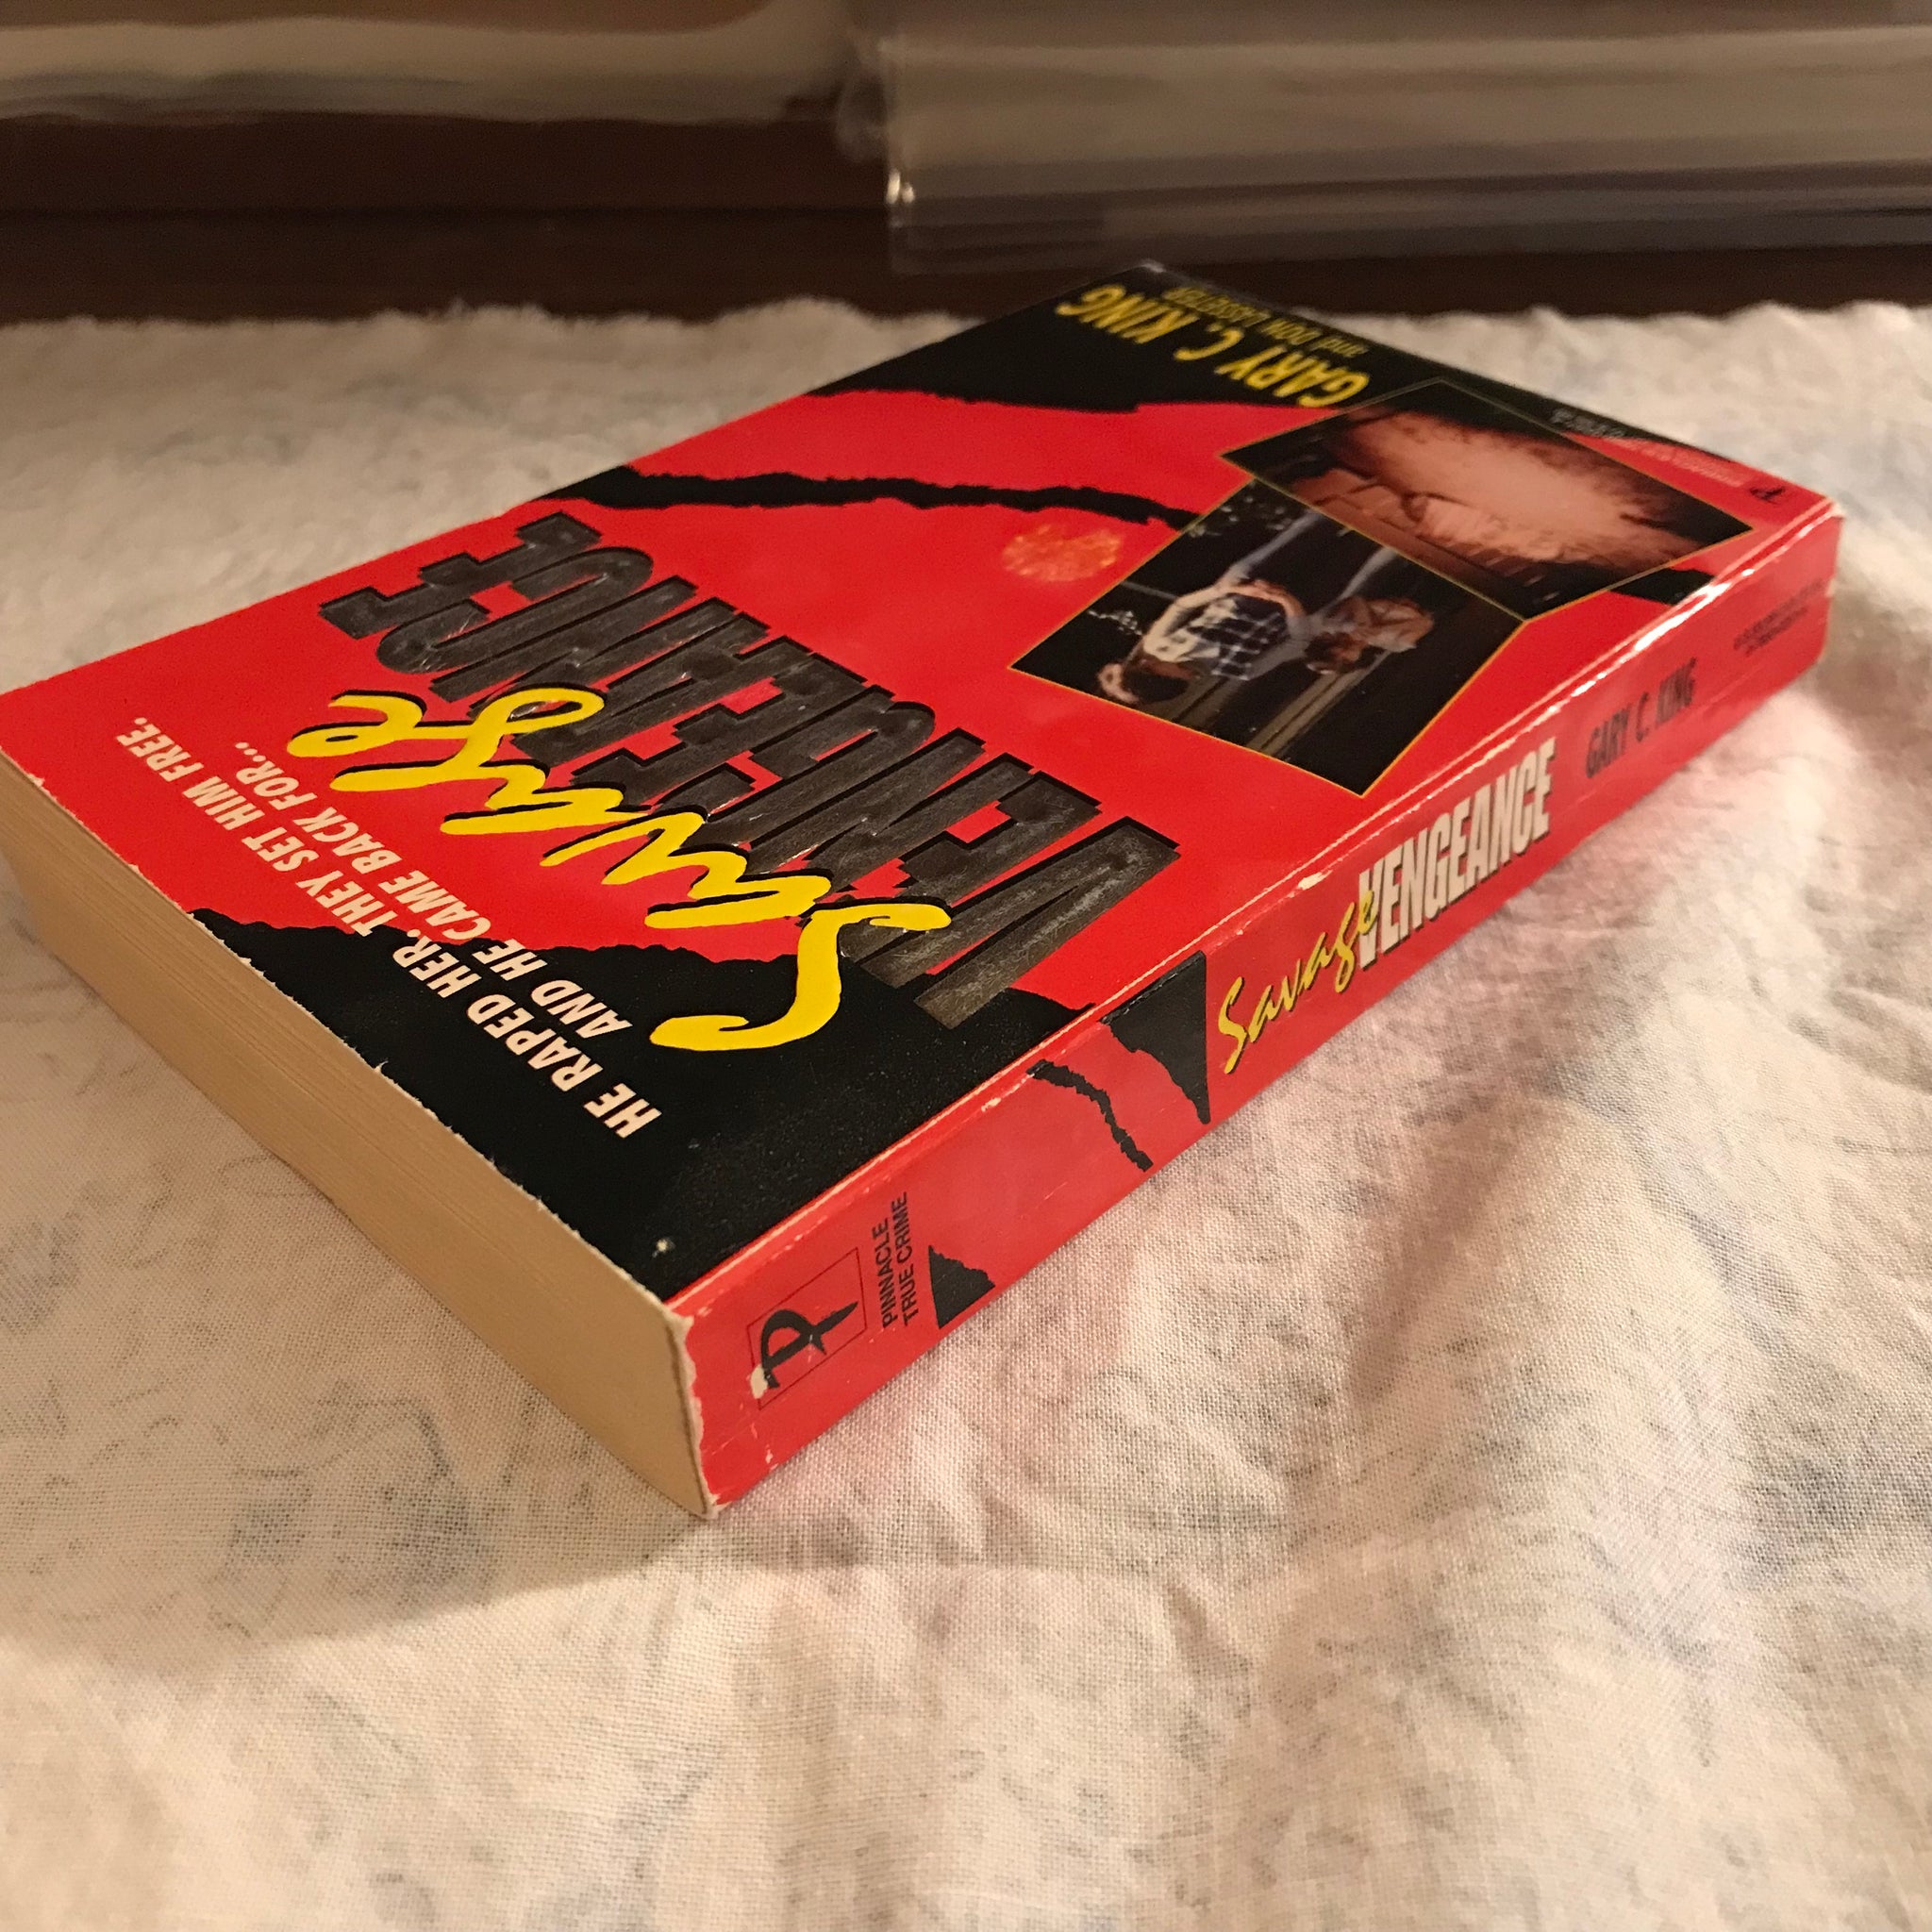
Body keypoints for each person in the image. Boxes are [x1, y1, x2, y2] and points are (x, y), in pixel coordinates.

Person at [1095, 524, 1435, 708]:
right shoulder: (1242, 671)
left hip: (1247, 583)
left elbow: (1182, 606)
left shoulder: (1159, 645)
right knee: (1360, 542)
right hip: (1303, 599)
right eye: (1163, 672)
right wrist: (1288, 603)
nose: (1156, 663)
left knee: (1314, 524)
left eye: (1152, 666)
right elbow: (1298, 640)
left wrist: (1228, 590)